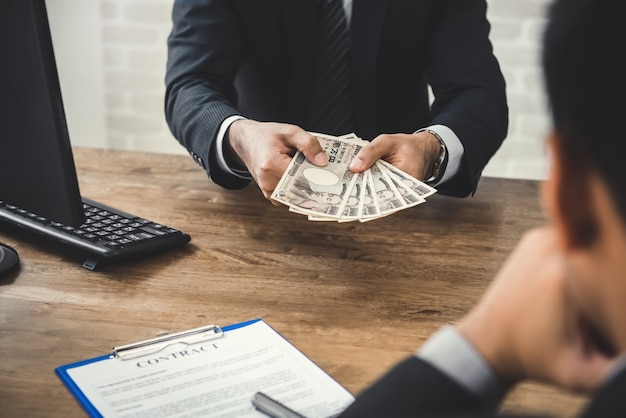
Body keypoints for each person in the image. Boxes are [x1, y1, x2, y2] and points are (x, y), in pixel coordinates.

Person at [337, 0, 626, 416]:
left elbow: (478, 92)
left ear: (566, 192)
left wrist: (482, 346)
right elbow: (203, 80)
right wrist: (232, 132)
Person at [165, 0, 508, 204]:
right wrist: (238, 136)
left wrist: (431, 148)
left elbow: (477, 92)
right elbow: (190, 84)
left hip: (398, 207)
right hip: (259, 201)